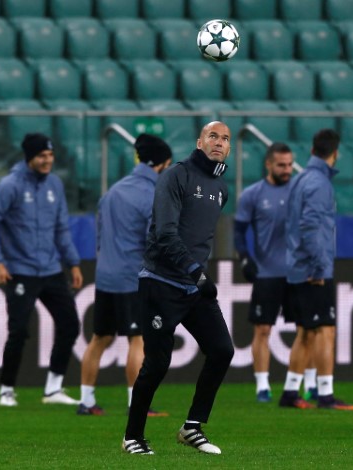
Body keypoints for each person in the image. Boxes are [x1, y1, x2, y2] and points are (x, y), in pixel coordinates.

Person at [123, 121, 234, 456]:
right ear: (199, 141)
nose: (219, 142)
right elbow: (165, 234)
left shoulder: (221, 187)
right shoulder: (175, 176)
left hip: (192, 284)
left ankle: (192, 427)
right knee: (156, 363)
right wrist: (195, 272)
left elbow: (200, 237)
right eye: (213, 136)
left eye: (226, 139)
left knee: (222, 350)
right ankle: (133, 437)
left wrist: (196, 276)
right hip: (161, 282)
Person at [0, 133, 83, 407]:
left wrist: (72, 262)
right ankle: (6, 389)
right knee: (20, 330)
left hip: (50, 268)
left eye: (50, 155)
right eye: (42, 156)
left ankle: (53, 389)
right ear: (29, 158)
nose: (47, 161)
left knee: (70, 325)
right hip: (20, 270)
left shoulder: (55, 185)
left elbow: (61, 228)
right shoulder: (10, 186)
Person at [78, 134, 172, 416]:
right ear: (160, 165)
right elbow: (153, 243)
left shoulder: (112, 192)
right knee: (138, 340)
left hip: (106, 276)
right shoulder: (153, 195)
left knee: (99, 338)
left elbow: (99, 236)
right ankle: (137, 404)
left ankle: (86, 401)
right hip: (133, 278)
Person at [234, 142, 316, 404]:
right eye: (281, 164)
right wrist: (245, 258)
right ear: (268, 164)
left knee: (308, 329)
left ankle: (309, 383)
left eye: (290, 164)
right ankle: (262, 386)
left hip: (298, 273)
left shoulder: (302, 191)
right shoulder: (252, 194)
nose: (287, 169)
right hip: (267, 273)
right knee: (262, 330)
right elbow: (238, 231)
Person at [283, 128, 353, 411]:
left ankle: (290, 392)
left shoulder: (302, 180)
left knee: (307, 331)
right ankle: (325, 395)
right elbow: (311, 226)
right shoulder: (319, 184)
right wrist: (317, 266)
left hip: (299, 265)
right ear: (335, 154)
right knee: (325, 330)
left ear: (313, 150)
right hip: (313, 268)